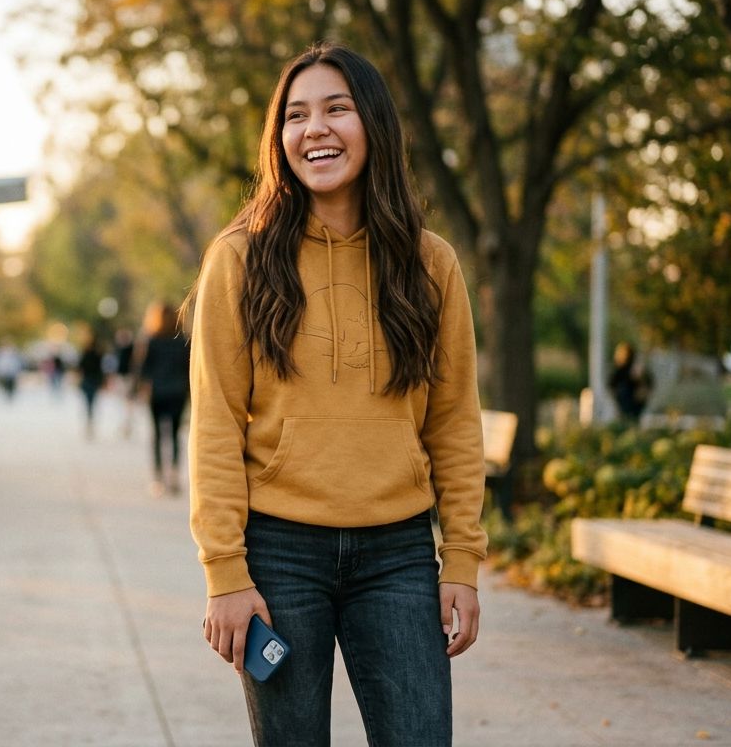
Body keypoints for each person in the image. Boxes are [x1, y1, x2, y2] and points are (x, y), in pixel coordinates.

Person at [186, 42, 485, 746]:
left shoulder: (428, 262)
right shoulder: (239, 259)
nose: (313, 129)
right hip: (278, 554)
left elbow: (453, 423)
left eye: (335, 109)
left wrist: (462, 561)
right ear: (277, 139)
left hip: (399, 556)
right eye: (294, 115)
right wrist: (224, 573)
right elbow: (215, 427)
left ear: (373, 125)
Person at [133, 303, 191, 495]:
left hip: (157, 392)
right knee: (175, 435)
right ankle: (174, 475)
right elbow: (189, 368)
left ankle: (158, 478)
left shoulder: (150, 339)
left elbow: (142, 368)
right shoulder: (183, 340)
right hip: (178, 392)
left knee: (157, 435)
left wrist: (137, 389)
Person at [76, 335, 107, 439]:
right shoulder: (98, 355)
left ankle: (89, 419)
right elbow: (101, 369)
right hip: (94, 380)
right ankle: (90, 419)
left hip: (87, 380)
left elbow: (80, 368)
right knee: (92, 401)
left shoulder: (85, 354)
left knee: (88, 401)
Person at [609, 341, 647, 421]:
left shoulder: (634, 368)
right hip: (626, 402)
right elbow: (612, 385)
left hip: (633, 403)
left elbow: (644, 386)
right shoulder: (620, 371)